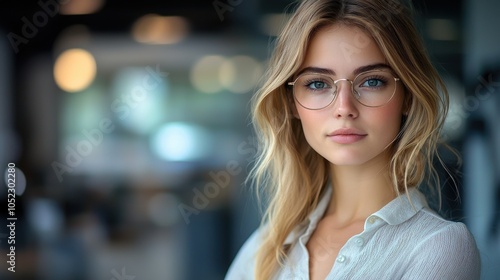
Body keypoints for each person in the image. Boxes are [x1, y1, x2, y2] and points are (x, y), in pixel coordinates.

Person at [225, 0, 481, 279]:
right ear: (291, 103)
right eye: (317, 84)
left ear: (408, 95)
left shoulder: (438, 247)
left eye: (371, 81)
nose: (344, 107)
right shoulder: (266, 247)